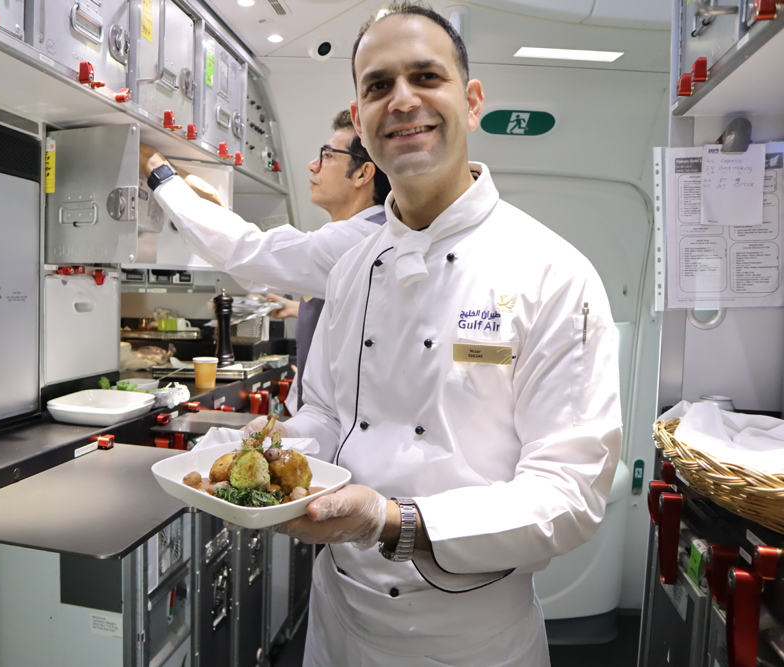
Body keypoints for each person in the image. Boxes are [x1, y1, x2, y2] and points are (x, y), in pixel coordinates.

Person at [249, 4, 623, 666]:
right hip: (339, 628)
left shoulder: (553, 274)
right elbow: (327, 413)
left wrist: (392, 521)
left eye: (426, 76)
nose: (401, 100)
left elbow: (570, 495)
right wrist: (277, 454)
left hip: (474, 638)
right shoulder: (351, 270)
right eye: (377, 85)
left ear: (471, 101)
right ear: (360, 121)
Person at [140, 110, 391, 410]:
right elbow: (262, 266)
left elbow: (245, 251)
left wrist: (157, 171)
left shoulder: (357, 241)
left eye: (327, 156)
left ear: (364, 173)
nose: (313, 165)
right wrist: (300, 309)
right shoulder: (370, 233)